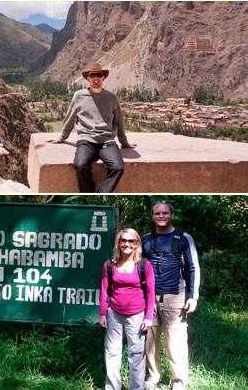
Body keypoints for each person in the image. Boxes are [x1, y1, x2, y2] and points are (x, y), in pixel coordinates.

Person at [47, 63, 135, 193]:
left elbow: (119, 122)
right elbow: (70, 118)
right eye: (92, 75)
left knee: (118, 167)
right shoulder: (79, 96)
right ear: (88, 79)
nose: (95, 78)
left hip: (107, 141)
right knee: (80, 165)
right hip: (86, 140)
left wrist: (124, 143)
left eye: (98, 75)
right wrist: (61, 137)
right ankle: (89, 193)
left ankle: (101, 195)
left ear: (103, 78)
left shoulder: (112, 98)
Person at [142, 201, 201, 390]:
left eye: (165, 213)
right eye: (157, 213)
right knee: (149, 339)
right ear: (152, 216)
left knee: (175, 338)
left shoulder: (183, 238)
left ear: (171, 214)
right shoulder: (145, 239)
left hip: (174, 296)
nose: (161, 216)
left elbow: (193, 268)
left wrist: (193, 296)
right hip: (149, 296)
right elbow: (138, 267)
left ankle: (178, 379)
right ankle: (153, 377)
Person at [100, 228, 155, 390]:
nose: (127, 244)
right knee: (111, 352)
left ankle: (136, 387)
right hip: (114, 313)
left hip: (137, 315)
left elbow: (151, 292)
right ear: (118, 243)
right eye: (123, 240)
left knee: (136, 354)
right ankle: (112, 387)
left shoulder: (144, 265)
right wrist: (103, 313)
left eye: (131, 241)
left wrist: (148, 317)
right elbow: (104, 289)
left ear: (137, 244)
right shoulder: (110, 264)